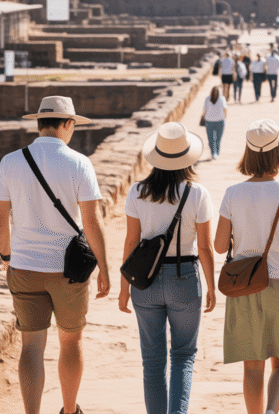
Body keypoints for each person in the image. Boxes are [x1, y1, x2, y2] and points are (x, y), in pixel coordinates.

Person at [0, 96, 111, 414]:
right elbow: (92, 222)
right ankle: (69, 410)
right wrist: (105, 268)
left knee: (31, 344)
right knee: (70, 341)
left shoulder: (11, 162)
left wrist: (6, 256)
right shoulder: (79, 163)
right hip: (68, 270)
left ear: (40, 123)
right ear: (67, 124)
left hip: (24, 266)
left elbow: (0, 220)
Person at [214, 119, 279, 414]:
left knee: (252, 366)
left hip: (244, 285)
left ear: (248, 153)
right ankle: (272, 411)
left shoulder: (233, 193)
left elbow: (219, 246)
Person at [119, 121, 216, 414]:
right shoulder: (197, 194)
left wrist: (124, 289)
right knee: (184, 356)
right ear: (187, 157)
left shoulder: (137, 192)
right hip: (184, 277)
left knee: (152, 361)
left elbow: (131, 243)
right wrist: (211, 286)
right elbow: (205, 247)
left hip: (144, 282)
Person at [201, 86, 227, 160]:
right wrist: (225, 116)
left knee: (211, 139)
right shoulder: (222, 99)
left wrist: (203, 117)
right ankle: (216, 152)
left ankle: (213, 153)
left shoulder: (207, 99)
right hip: (220, 121)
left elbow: (204, 110)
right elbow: (225, 109)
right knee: (218, 139)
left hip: (209, 121)